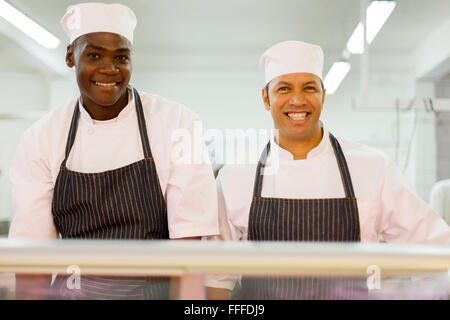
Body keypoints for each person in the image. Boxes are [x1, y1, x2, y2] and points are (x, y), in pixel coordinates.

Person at [206, 40, 450, 300]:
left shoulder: (372, 168)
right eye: (284, 88)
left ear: (323, 94)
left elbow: (434, 246)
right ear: (266, 98)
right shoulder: (236, 177)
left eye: (309, 88)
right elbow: (216, 278)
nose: (297, 100)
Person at [8, 2, 219, 300]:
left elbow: (188, 248)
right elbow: (34, 257)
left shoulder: (179, 123)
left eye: (121, 57)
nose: (109, 69)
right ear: (71, 56)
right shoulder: (41, 137)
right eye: (94, 55)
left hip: (153, 292)